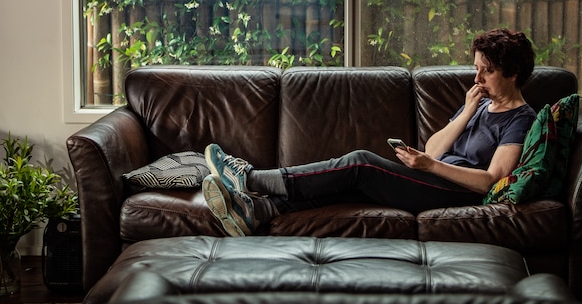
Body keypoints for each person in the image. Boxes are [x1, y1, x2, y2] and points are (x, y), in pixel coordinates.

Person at [202, 28, 537, 237]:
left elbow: (491, 180)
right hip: (434, 179)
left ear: (513, 74)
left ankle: (250, 179)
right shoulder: (478, 103)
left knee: (360, 164)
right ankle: (258, 212)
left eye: (487, 72)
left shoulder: (520, 119)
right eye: (476, 68)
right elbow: (433, 148)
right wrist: (465, 113)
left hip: (457, 193)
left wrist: (430, 167)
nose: (477, 79)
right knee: (349, 184)